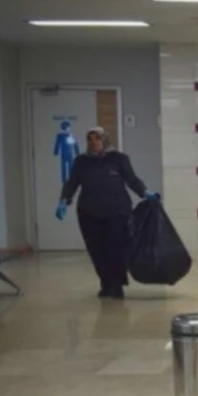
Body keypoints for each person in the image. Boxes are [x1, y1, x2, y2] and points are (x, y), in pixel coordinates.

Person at [56, 126, 157, 299]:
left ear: (105, 140)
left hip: (117, 212)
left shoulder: (119, 159)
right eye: (90, 139)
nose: (94, 143)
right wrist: (64, 200)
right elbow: (72, 182)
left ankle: (117, 286)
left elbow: (131, 179)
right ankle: (106, 283)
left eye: (97, 139)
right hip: (89, 212)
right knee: (97, 250)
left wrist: (145, 192)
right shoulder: (81, 161)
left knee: (115, 249)